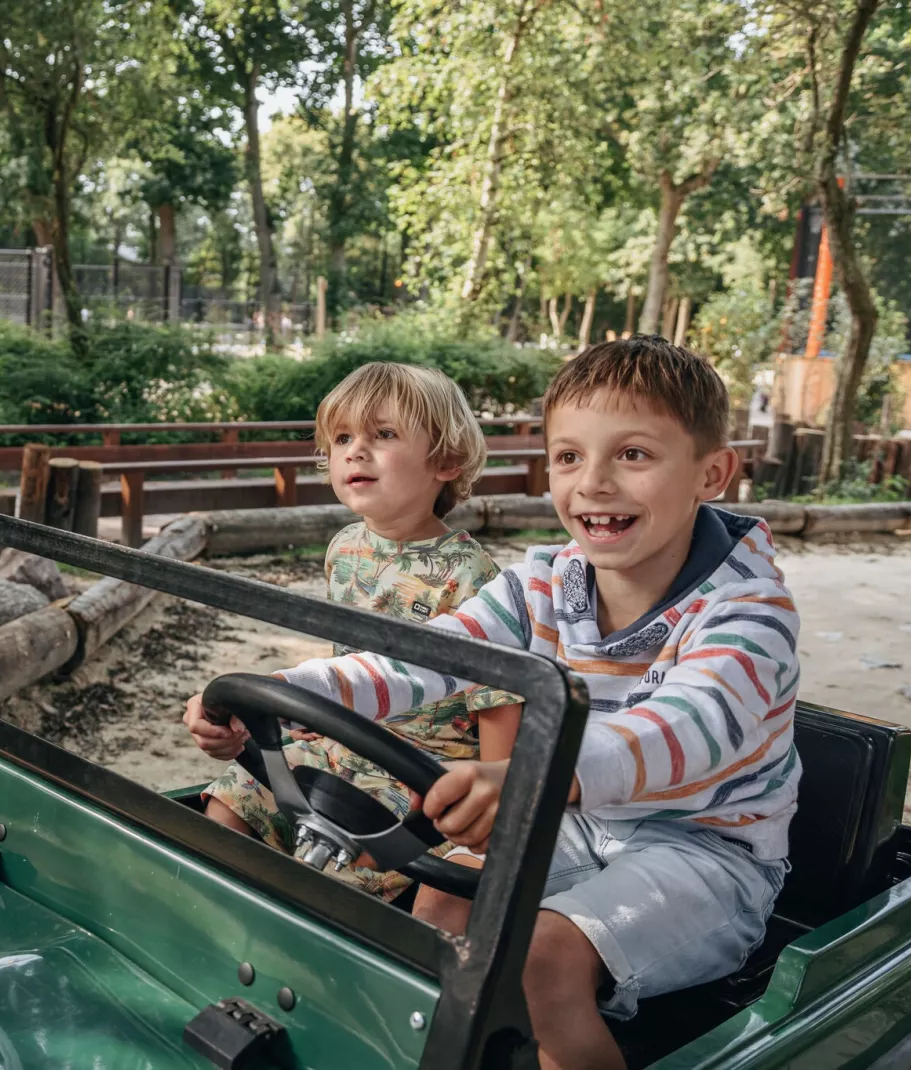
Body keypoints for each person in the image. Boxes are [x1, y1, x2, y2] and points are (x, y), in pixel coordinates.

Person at [191, 337, 800, 1070]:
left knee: (541, 963)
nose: (594, 484)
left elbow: (686, 729)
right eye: (570, 458)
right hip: (574, 819)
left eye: (632, 456)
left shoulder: (747, 610)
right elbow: (431, 654)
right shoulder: (544, 582)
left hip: (707, 849)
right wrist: (291, 692)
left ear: (714, 472)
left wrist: (528, 776)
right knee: (440, 909)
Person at [188, 361, 520, 900]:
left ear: (447, 460)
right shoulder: (346, 548)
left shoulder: (469, 575)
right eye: (341, 438)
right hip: (346, 744)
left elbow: (499, 701)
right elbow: (346, 660)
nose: (354, 451)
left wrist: (486, 809)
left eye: (383, 435)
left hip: (422, 772)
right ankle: (212, 912)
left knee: (336, 874)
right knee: (231, 799)